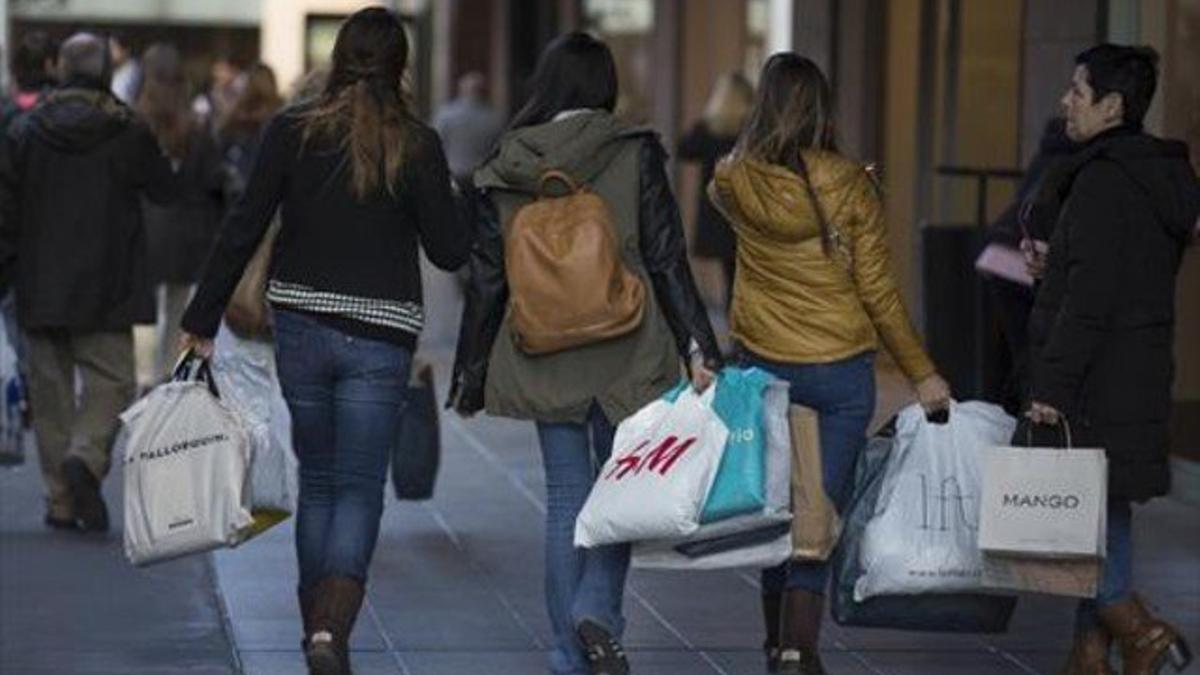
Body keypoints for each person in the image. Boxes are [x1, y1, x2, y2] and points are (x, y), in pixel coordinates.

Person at [178, 8, 471, 675]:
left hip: (303, 327)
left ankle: (316, 628)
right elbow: (451, 251)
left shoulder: (291, 131)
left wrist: (203, 314)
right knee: (361, 486)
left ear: (339, 56)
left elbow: (245, 224)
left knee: (319, 481)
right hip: (382, 336)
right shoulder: (417, 142)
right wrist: (466, 202)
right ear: (401, 65)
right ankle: (329, 633)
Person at [449, 32, 723, 675]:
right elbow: (663, 254)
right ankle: (598, 606)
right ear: (604, 84)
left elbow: (488, 275)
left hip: (542, 347)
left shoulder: (506, 160)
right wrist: (700, 343)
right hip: (630, 346)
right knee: (625, 485)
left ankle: (567, 655)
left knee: (567, 497)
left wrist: (473, 368)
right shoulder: (632, 150)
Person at [708, 53, 951, 674]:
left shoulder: (733, 181)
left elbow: (721, 184)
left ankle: (773, 645)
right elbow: (879, 292)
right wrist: (921, 370)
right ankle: (799, 648)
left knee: (776, 510)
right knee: (820, 514)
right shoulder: (851, 184)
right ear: (822, 108)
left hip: (766, 367)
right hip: (841, 370)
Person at [1023, 44, 1197, 675]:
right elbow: (1121, 274)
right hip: (1137, 371)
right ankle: (1088, 657)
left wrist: (1052, 386)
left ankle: (1141, 632)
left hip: (1096, 378)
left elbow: (1092, 300)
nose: (1066, 100)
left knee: (1079, 523)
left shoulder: (1102, 180)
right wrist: (1057, 266)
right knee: (1099, 513)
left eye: (1078, 89)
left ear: (1112, 105)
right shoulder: (1159, 177)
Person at [0, 33, 177, 533]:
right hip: (109, 282)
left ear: (60, 68)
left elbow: (6, 214)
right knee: (112, 382)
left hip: (40, 282)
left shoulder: (25, 130)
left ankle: (60, 499)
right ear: (104, 72)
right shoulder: (128, 130)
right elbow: (164, 189)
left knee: (50, 393)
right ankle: (86, 455)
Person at [976, 117, 1081, 414]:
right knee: (1029, 354)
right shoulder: (1079, 159)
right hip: (1027, 260)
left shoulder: (1051, 151)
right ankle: (1021, 418)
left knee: (1015, 351)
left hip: (999, 253)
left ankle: (1008, 414)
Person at [137, 43, 226, 383]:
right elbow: (212, 181)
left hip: (147, 227)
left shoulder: (135, 121)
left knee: (143, 312)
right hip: (188, 233)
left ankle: (144, 376)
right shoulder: (198, 127)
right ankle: (168, 376)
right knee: (177, 308)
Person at [677, 72, 754, 309]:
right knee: (746, 276)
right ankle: (744, 331)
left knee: (729, 274)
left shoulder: (709, 128)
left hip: (717, 212)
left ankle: (734, 330)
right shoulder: (752, 129)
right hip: (746, 209)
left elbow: (684, 150)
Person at [217, 62, 283, 196]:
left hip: (241, 184)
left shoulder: (238, 113)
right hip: (269, 188)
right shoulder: (281, 113)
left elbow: (221, 143)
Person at [432, 71, 505, 184]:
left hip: (453, 171)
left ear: (461, 90)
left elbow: (436, 143)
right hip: (481, 174)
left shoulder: (446, 115)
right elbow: (498, 149)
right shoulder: (494, 118)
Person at [108, 32, 141, 106]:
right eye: (110, 48)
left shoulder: (133, 70)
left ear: (126, 50)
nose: (110, 52)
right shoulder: (119, 66)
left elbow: (121, 98)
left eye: (114, 48)